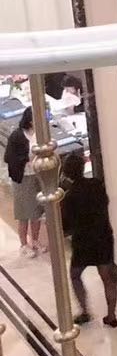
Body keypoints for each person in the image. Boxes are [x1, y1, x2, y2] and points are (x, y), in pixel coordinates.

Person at [60, 151, 117, 327]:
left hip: (83, 241)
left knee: (75, 275)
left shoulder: (69, 197)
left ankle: (85, 311)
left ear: (67, 174)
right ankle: (111, 315)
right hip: (103, 235)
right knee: (107, 277)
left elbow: (65, 225)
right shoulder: (97, 185)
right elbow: (106, 203)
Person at [5, 109, 46, 257]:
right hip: (22, 178)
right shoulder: (17, 136)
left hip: (37, 175)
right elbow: (8, 157)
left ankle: (35, 240)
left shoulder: (39, 134)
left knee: (37, 212)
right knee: (24, 213)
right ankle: (23, 244)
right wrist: (27, 158)